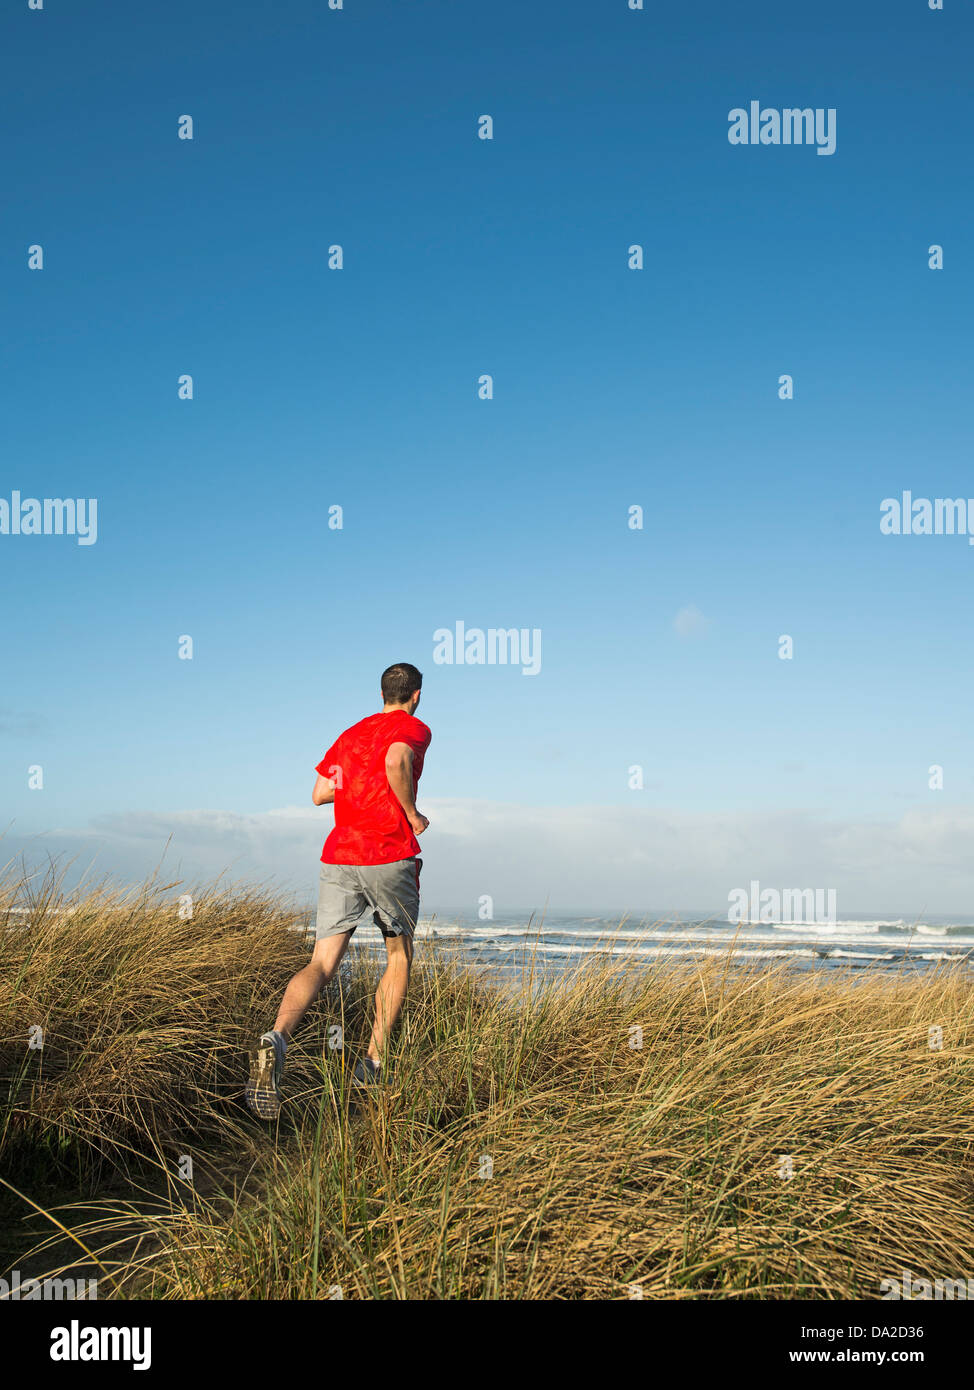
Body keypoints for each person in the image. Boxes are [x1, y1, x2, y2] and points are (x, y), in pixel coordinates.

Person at [246, 662, 431, 1118]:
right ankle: (372, 1063)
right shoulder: (413, 727)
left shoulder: (350, 735)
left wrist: (356, 784)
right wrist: (411, 813)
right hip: (387, 854)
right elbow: (396, 760)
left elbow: (320, 792)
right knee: (398, 956)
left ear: (381, 691)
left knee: (321, 962)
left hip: (340, 856)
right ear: (416, 694)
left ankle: (278, 1038)